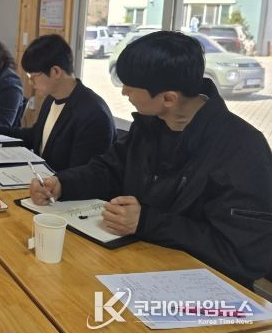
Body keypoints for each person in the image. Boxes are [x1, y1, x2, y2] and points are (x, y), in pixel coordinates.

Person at [30, 31, 272, 287]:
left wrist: (146, 222)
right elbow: (110, 170)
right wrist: (63, 183)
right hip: (132, 265)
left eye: (131, 87)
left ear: (168, 98)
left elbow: (242, 255)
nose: (124, 92)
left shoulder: (243, 149)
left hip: (198, 288)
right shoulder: (151, 124)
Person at [0, 34, 115, 171]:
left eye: (33, 76)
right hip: (42, 178)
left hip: (60, 187)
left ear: (56, 72)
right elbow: (35, 136)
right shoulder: (52, 98)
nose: (31, 82)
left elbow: (82, 174)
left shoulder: (93, 114)